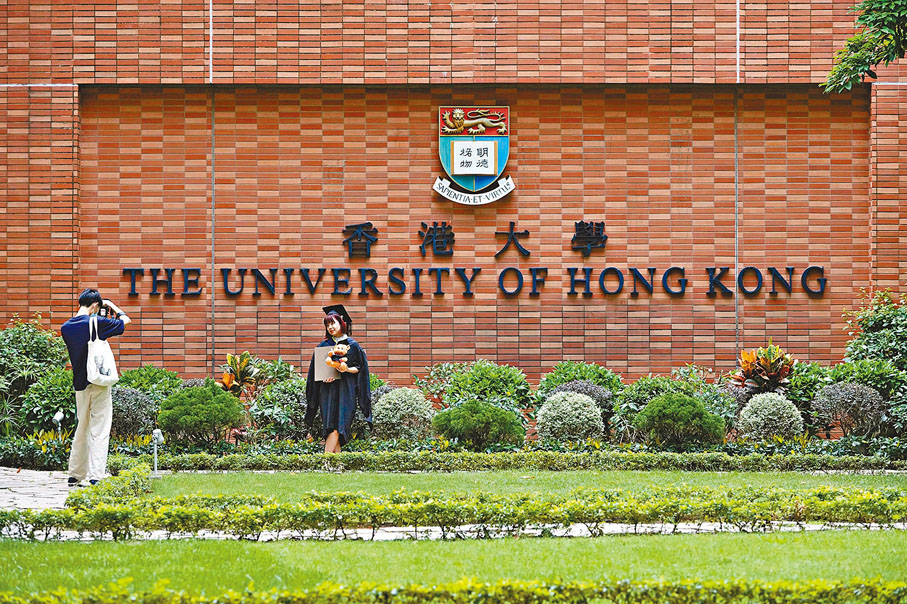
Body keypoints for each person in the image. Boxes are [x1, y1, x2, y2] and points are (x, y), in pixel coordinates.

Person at [60, 288, 131, 486]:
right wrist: (110, 305)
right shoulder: (97, 323)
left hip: (80, 384)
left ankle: (75, 474)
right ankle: (95, 476)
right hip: (98, 382)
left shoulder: (66, 327)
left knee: (81, 427)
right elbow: (125, 321)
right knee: (100, 428)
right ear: (95, 305)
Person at [304, 304, 371, 453]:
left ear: (341, 323)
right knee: (331, 426)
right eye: (327, 325)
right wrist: (324, 377)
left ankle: (326, 460)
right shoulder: (323, 346)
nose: (330, 327)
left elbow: (360, 369)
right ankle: (335, 463)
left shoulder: (352, 346)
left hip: (346, 391)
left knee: (339, 426)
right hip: (327, 392)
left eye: (333, 323)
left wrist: (346, 369)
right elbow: (316, 372)